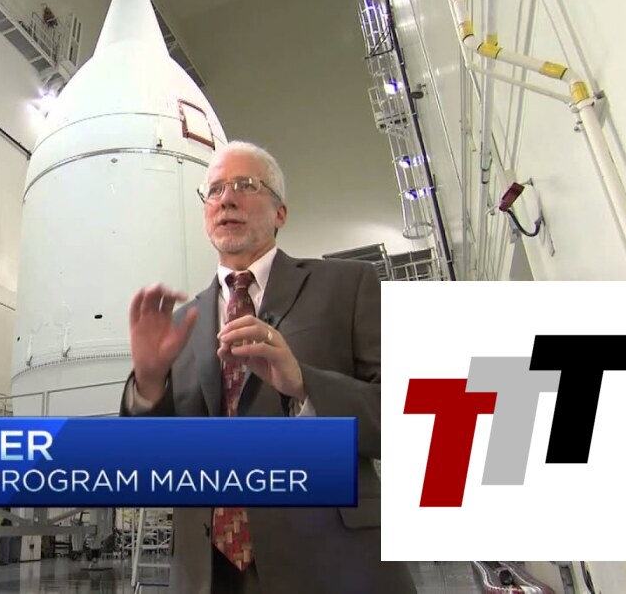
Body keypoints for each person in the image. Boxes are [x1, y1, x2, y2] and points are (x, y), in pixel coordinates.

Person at [119, 141, 416, 594]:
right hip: (210, 572)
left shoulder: (347, 285)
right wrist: (148, 383)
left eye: (244, 185)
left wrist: (304, 384)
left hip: (335, 564)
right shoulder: (180, 325)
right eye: (214, 190)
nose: (226, 199)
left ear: (280, 212)